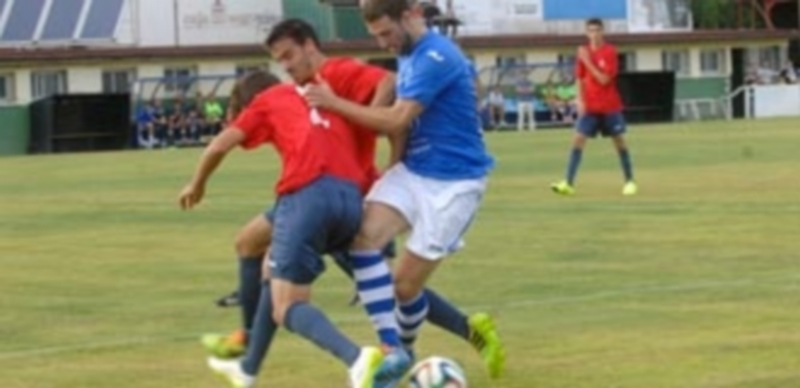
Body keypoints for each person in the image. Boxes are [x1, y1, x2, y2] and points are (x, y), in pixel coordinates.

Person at [202, 19, 500, 387]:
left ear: (309, 46)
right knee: (255, 247)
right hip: (320, 190)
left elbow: (386, 83)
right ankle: (248, 358)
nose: (287, 67)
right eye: (281, 62)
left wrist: (369, 127)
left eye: (288, 56)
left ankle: (456, 332)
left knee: (393, 286)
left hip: (345, 190)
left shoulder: (334, 71)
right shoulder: (295, 93)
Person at [305, 1, 505, 385]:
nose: (384, 43)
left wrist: (334, 104)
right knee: (361, 238)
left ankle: (409, 352)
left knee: (405, 285)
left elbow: (396, 118)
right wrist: (393, 168)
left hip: (454, 184)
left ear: (411, 15)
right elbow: (401, 129)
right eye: (377, 36)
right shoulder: (409, 54)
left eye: (386, 33)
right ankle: (392, 350)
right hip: (414, 171)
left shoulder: (436, 55)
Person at [179, 70, 385, 388]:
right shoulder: (319, 96)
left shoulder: (265, 101)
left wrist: (197, 184)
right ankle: (247, 367)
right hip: (349, 196)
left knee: (287, 305)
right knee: (255, 248)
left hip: (307, 196)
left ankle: (357, 359)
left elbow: (219, 146)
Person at [551, 18, 637, 196]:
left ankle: (629, 181)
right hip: (590, 107)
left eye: (597, 30)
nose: (594, 34)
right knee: (578, 140)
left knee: (619, 141)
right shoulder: (583, 52)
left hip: (609, 106)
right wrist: (580, 100)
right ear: (586, 32)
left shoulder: (609, 52)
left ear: (602, 32)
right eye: (591, 30)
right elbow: (580, 78)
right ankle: (568, 182)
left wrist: (587, 60)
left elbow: (604, 79)